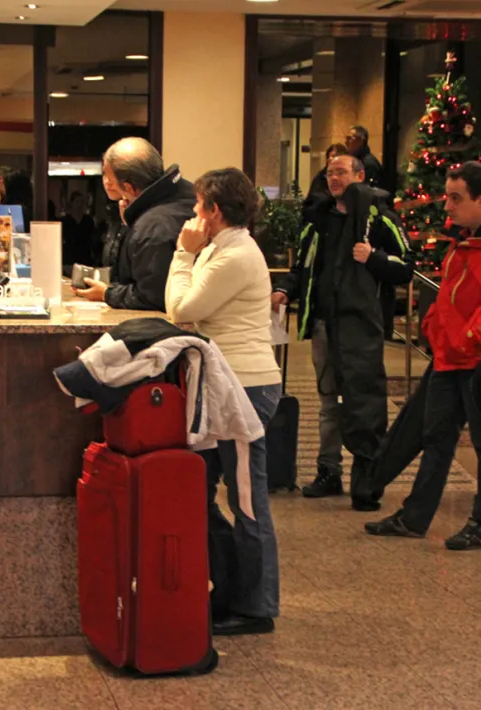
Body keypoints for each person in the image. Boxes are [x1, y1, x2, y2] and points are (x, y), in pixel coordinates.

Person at [365, 161, 481, 550]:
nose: (447, 206)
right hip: (449, 357)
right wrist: (434, 327)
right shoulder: (464, 237)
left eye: (456, 198)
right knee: (436, 438)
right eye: (447, 197)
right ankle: (414, 518)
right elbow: (451, 292)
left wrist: (474, 334)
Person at [166, 167, 281, 636]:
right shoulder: (221, 249)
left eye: (198, 205)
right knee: (198, 489)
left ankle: (256, 607)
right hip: (225, 385)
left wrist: (182, 253)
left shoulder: (235, 255)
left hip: (246, 388)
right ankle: (231, 587)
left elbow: (181, 309)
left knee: (247, 500)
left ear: (214, 210)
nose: (194, 214)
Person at [273, 155, 413, 508]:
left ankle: (366, 480)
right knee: (327, 402)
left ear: (360, 176)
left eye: (341, 172)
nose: (333, 178)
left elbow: (406, 266)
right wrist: (286, 289)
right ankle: (328, 471)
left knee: (362, 401)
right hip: (323, 323)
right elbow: (304, 265)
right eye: (329, 173)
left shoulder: (380, 217)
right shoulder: (318, 218)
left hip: (360, 327)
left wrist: (373, 257)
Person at [75, 137, 195, 311]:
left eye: (110, 179)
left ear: (129, 188)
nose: (106, 183)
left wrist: (107, 294)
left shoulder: (151, 226)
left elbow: (151, 297)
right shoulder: (190, 192)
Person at [303, 143, 348, 213]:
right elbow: (311, 202)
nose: (330, 159)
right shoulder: (320, 177)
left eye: (334, 156)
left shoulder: (348, 176)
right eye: (329, 156)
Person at [60, 191, 98, 270]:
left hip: (85, 258)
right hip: (69, 259)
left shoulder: (88, 220)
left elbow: (92, 239)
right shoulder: (65, 221)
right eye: (77, 202)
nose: (80, 205)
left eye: (82, 202)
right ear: (72, 203)